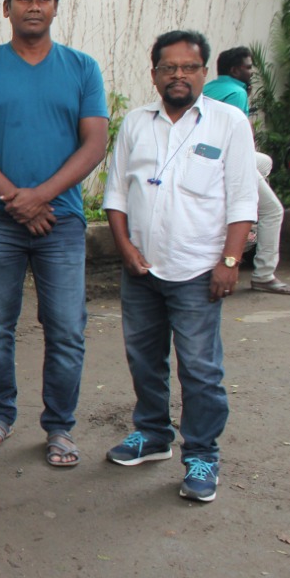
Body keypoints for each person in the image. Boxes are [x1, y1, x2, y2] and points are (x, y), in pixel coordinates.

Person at [0, 0, 108, 468]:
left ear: (55, 7)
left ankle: (59, 427)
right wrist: (15, 200)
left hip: (60, 222)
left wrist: (41, 196)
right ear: (7, 8)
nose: (34, 7)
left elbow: (95, 143)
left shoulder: (82, 68)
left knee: (66, 329)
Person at [103, 30, 257, 503]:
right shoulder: (136, 123)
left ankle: (202, 455)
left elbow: (243, 199)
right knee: (144, 359)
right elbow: (116, 193)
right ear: (154, 75)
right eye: (168, 68)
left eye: (189, 68)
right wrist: (125, 248)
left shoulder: (228, 123)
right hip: (142, 270)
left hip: (198, 271)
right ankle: (152, 435)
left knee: (200, 369)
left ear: (204, 73)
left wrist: (229, 261)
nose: (178, 76)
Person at [204, 47, 290, 294]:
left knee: (264, 162)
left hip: (203, 154)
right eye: (248, 67)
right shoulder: (237, 93)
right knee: (273, 210)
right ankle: (264, 275)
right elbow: (239, 143)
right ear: (235, 70)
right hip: (224, 159)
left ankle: (250, 221)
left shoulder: (210, 88)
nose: (251, 72)